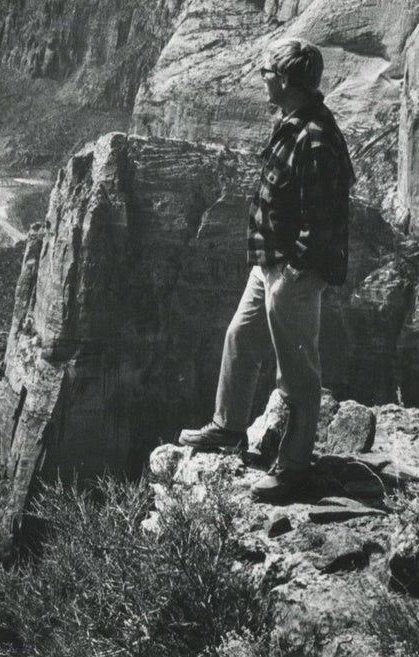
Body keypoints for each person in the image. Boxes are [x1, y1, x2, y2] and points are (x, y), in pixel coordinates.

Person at [178, 38, 355, 502]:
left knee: (296, 371)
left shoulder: (315, 138)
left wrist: (293, 271)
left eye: (266, 72)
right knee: (241, 337)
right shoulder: (294, 123)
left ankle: (294, 469)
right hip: (270, 265)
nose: (261, 78)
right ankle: (228, 427)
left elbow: (325, 220)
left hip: (291, 272)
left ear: (287, 80)